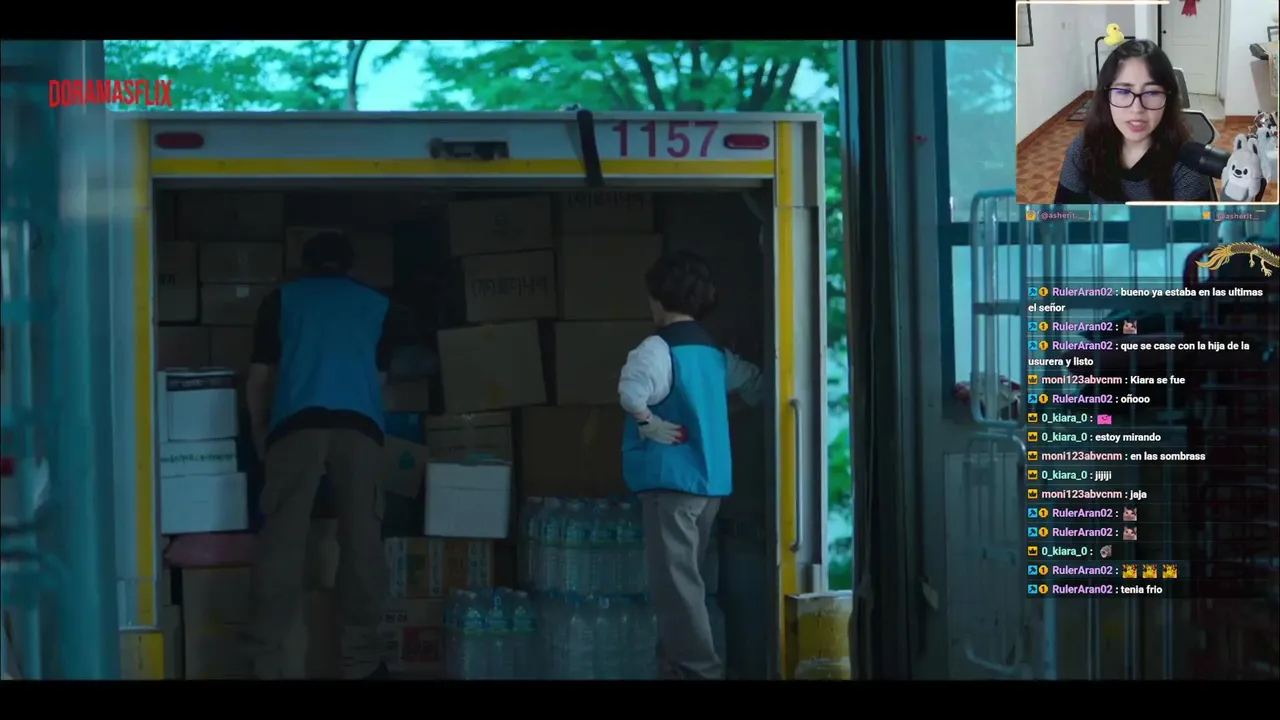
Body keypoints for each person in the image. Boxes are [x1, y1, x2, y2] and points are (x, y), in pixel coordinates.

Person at [243, 231, 393, 680]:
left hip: (297, 422)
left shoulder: (281, 300)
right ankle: (362, 661)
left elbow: (258, 379)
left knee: (282, 540)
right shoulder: (377, 304)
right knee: (362, 537)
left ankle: (266, 661)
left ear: (305, 265)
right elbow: (380, 379)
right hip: (359, 426)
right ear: (349, 265)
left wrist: (261, 437)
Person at [616, 250, 764, 680]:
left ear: (658, 298)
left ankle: (700, 672)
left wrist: (650, 422)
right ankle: (677, 669)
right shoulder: (714, 354)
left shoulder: (657, 350)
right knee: (687, 581)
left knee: (676, 589)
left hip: (671, 482)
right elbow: (757, 387)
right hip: (709, 483)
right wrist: (713, 414)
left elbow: (632, 396)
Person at [1054, 39, 1212, 203]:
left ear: (1169, 98)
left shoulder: (1187, 164)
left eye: (1152, 93)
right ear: (1106, 96)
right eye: (1123, 91)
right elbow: (1064, 216)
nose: (1137, 109)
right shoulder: (1084, 147)